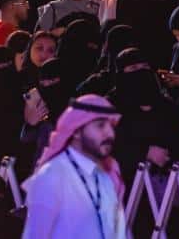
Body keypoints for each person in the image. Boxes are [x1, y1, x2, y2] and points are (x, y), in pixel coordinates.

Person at [21, 94, 128, 238]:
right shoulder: (52, 177)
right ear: (76, 131)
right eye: (100, 125)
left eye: (111, 126)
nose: (110, 134)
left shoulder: (108, 175)